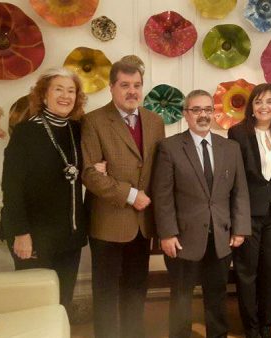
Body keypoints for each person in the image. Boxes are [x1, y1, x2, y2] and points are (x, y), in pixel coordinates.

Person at [153, 89, 251, 338]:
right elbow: (162, 196)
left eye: (208, 109)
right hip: (182, 239)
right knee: (182, 296)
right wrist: (167, 234)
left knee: (217, 295)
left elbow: (239, 192)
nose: (203, 115)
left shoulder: (230, 148)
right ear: (186, 114)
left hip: (220, 236)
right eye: (196, 110)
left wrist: (240, 228)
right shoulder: (170, 147)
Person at [81, 56, 165, 338]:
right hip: (108, 223)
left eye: (137, 85)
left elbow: (157, 169)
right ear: (111, 88)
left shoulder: (155, 121)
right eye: (125, 85)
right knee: (105, 293)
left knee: (136, 288)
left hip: (143, 224)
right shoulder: (93, 121)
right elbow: (91, 175)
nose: (132, 91)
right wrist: (131, 195)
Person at [1, 67, 92, 310]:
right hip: (33, 236)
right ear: (44, 96)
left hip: (69, 236)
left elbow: (86, 166)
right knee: (35, 303)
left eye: (71, 91)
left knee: (63, 302)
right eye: (58, 89)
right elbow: (11, 187)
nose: (66, 96)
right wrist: (21, 233)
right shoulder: (26, 132)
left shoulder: (77, 129)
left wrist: (99, 167)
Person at [228, 83, 271, 338]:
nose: (264, 106)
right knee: (247, 272)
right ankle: (251, 328)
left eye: (269, 102)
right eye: (258, 102)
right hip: (248, 213)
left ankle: (266, 326)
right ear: (251, 107)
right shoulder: (237, 133)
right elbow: (234, 176)